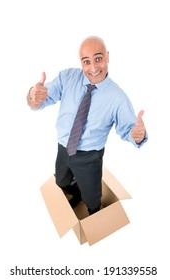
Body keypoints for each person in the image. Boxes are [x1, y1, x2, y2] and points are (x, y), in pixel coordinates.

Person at [27, 36, 147, 215]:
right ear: (81, 63)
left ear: (107, 57)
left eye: (98, 58)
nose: (93, 68)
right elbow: (38, 100)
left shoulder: (118, 97)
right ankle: (77, 193)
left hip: (89, 157)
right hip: (63, 148)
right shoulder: (67, 77)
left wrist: (137, 135)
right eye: (86, 61)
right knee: (61, 182)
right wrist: (32, 96)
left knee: (91, 198)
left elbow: (129, 129)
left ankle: (92, 210)